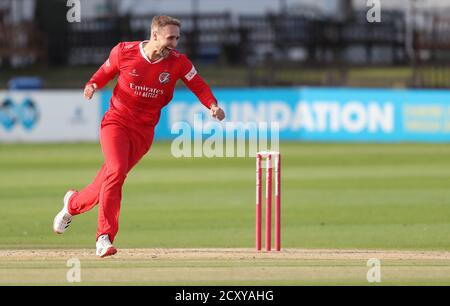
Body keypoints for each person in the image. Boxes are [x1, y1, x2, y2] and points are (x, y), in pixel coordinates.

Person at [53, 15, 225, 258]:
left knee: (109, 178)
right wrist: (92, 85)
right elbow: (105, 72)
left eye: (177, 38)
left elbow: (198, 85)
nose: (174, 44)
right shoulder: (124, 51)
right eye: (170, 38)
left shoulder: (179, 62)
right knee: (116, 171)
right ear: (154, 35)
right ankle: (104, 237)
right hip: (116, 123)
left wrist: (212, 105)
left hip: (143, 132)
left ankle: (72, 204)